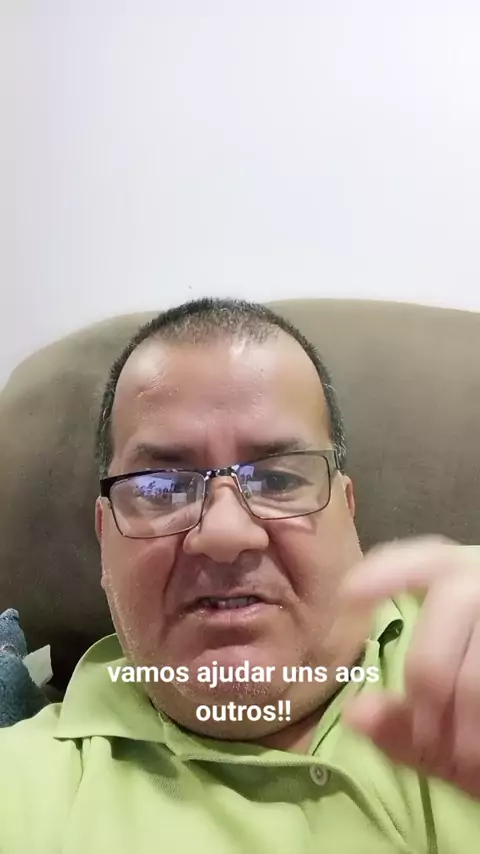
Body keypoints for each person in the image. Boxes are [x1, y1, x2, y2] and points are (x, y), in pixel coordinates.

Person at [0, 297, 479, 853]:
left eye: (278, 480)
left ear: (347, 508)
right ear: (105, 536)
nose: (225, 534)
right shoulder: (22, 789)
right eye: (162, 488)